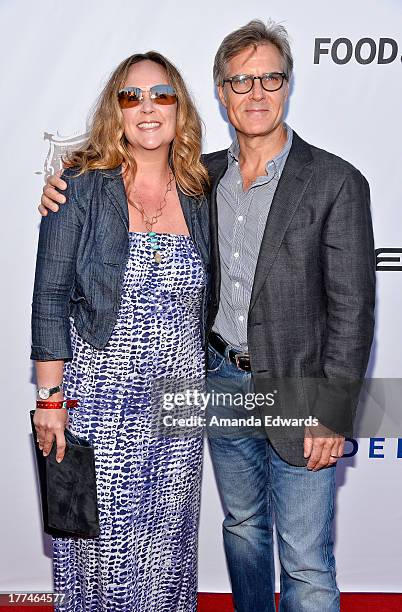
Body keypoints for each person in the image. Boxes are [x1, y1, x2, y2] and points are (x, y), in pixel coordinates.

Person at [40, 19, 376, 612]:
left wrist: (334, 411)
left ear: (288, 85)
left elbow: (354, 310)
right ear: (221, 94)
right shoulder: (202, 178)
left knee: (305, 560)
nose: (256, 93)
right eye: (240, 81)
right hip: (206, 388)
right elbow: (60, 285)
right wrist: (60, 186)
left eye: (270, 78)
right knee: (240, 530)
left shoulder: (334, 181)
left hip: (291, 392)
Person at [32, 51, 210, 612]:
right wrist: (49, 399)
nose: (148, 108)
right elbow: (50, 299)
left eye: (162, 94)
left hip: (179, 404)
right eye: (131, 96)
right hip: (101, 402)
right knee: (101, 553)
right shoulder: (80, 187)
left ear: (180, 109)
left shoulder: (204, 189)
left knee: (166, 550)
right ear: (117, 110)